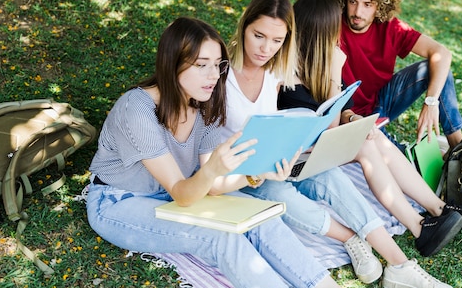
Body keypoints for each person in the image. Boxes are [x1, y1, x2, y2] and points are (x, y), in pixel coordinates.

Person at [223, 0, 459, 287]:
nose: (266, 48)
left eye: (276, 40)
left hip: (290, 159)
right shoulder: (226, 76)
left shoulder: (277, 71)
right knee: (284, 194)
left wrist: (344, 114)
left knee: (335, 177)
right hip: (251, 174)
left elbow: (314, 123)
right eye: (259, 36)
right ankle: (351, 237)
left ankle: (400, 266)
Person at [86, 17, 341, 288]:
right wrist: (211, 170)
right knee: (221, 237)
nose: (213, 75)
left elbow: (214, 186)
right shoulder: (136, 109)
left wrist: (259, 173)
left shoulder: (202, 104)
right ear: (172, 64)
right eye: (201, 65)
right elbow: (183, 193)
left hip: (178, 194)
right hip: (120, 202)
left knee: (260, 218)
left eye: (218, 65)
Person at [279, 0, 462, 286]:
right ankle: (423, 224)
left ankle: (438, 212)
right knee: (367, 145)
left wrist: (353, 119)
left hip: (320, 145)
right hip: (300, 160)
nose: (338, 39)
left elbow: (334, 119)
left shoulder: (316, 61)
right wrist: (335, 76)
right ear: (318, 34)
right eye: (332, 33)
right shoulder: (289, 71)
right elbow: (327, 128)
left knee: (371, 138)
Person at [330, 0, 462, 149]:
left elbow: (442, 54)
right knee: (401, 161)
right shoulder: (332, 25)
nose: (358, 12)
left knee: (436, 68)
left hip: (382, 101)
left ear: (380, 5)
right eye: (353, 2)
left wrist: (431, 102)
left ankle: (460, 149)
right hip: (349, 114)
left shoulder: (390, 27)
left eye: (367, 4)